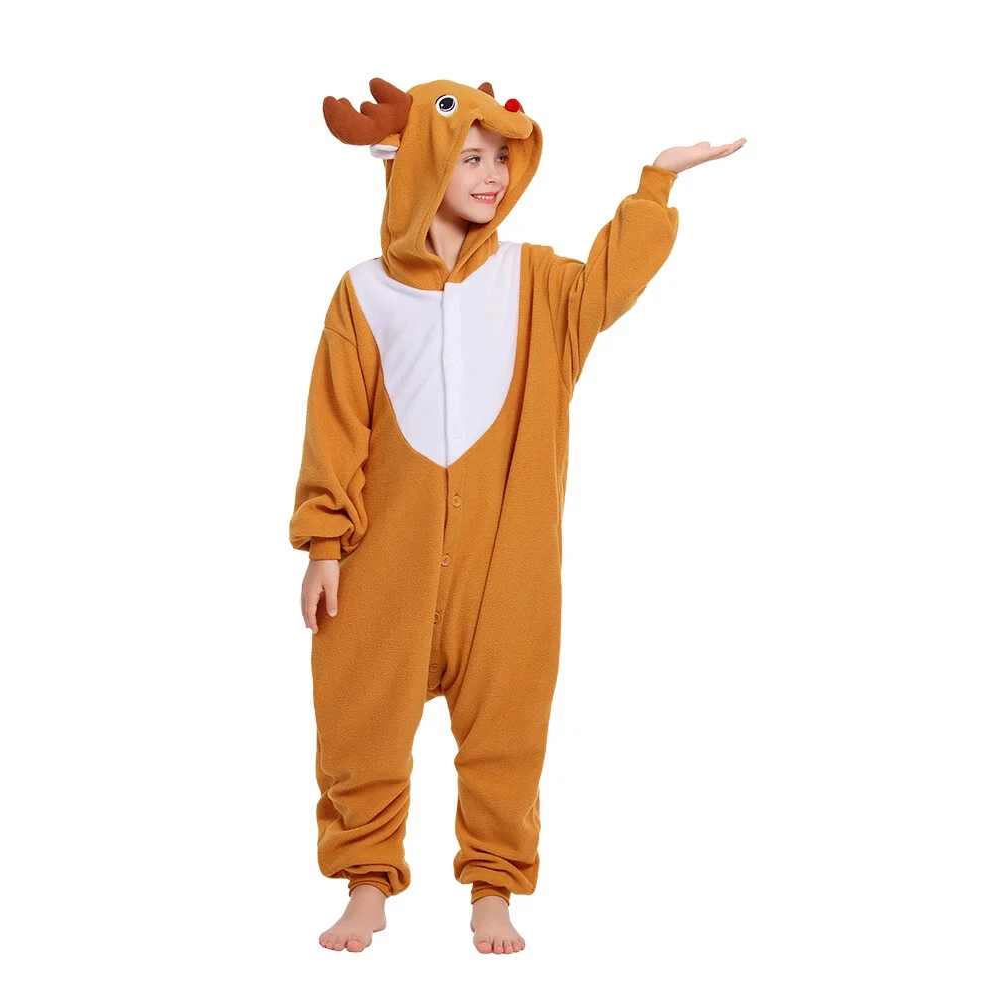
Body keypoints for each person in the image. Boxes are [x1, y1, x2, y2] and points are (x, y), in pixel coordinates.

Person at [289, 76, 745, 955]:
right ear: (420, 165)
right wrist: (323, 545)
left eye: (502, 158)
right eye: (470, 158)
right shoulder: (364, 293)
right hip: (385, 561)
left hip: (509, 561)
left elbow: (609, 283)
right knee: (358, 721)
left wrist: (656, 183)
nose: (493, 175)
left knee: (509, 728)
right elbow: (335, 423)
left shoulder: (535, 282)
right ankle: (366, 882)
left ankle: (493, 888)